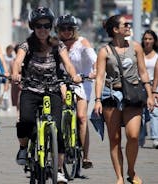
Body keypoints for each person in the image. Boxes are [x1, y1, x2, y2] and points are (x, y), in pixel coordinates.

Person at [11, 7, 82, 183]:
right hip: (31, 89)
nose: (42, 29)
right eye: (38, 25)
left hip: (53, 89)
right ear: (32, 27)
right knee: (26, 121)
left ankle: (58, 170)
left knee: (57, 129)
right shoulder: (26, 45)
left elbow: (68, 63)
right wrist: (16, 73)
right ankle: (23, 147)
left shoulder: (58, 45)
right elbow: (18, 61)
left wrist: (74, 75)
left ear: (51, 27)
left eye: (46, 25)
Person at [94, 14, 154, 184]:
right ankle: (119, 177)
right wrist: (97, 99)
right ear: (115, 30)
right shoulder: (104, 51)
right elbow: (99, 77)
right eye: (125, 24)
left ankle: (131, 170)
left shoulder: (136, 47)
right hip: (112, 95)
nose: (128, 27)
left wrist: (149, 95)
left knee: (133, 136)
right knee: (115, 139)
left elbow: (143, 72)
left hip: (133, 94)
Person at [55, 14, 96, 170]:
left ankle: (85, 156)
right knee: (62, 106)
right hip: (63, 82)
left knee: (81, 117)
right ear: (58, 30)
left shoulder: (82, 42)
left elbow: (94, 59)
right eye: (62, 29)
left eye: (69, 28)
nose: (66, 32)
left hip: (82, 82)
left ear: (74, 29)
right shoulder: (56, 44)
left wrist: (95, 71)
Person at [141, 29, 158, 149]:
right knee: (140, 113)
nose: (147, 41)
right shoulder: (139, 54)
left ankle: (156, 138)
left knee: (154, 112)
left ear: (154, 41)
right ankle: (140, 139)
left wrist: (154, 91)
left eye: (150, 39)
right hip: (140, 86)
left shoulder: (157, 55)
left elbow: (157, 75)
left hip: (154, 85)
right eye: (145, 39)